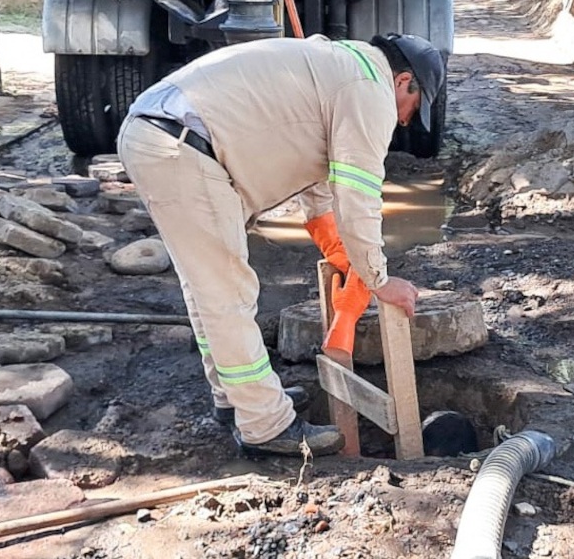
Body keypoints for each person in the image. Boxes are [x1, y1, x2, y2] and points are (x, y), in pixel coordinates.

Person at [116, 32, 447, 456]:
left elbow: (321, 179)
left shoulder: (341, 64)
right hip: (182, 145)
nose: (404, 122)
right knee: (227, 294)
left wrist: (335, 244)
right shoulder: (371, 90)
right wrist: (378, 278)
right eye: (412, 109)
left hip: (161, 134)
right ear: (404, 82)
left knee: (208, 290)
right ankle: (266, 427)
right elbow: (358, 196)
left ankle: (237, 399)